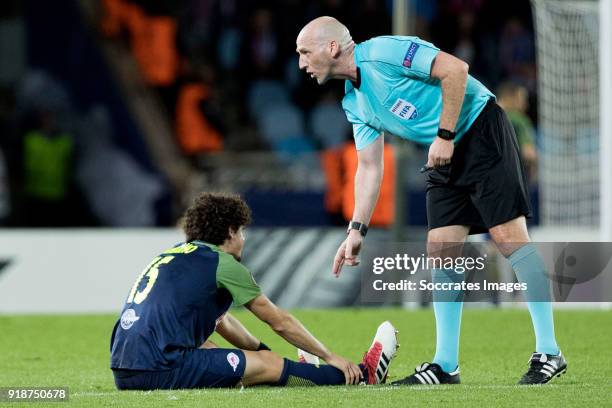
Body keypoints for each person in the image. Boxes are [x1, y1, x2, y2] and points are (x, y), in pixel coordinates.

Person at [296, 16, 566, 385]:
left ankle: (550, 351)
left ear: (331, 48)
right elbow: (370, 168)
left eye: (305, 52)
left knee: (509, 239)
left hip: (478, 129)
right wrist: (356, 229)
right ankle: (445, 364)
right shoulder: (353, 103)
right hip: (443, 150)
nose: (301, 64)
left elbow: (456, 70)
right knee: (440, 249)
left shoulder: (383, 52)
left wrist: (445, 134)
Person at [110, 192, 398, 390]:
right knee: (267, 366)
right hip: (158, 367)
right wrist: (328, 355)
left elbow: (222, 321)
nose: (244, 239)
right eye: (243, 232)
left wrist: (260, 352)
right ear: (230, 231)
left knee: (214, 349)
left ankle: (279, 367)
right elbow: (278, 320)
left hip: (123, 369)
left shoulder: (175, 254)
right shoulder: (222, 263)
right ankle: (362, 376)